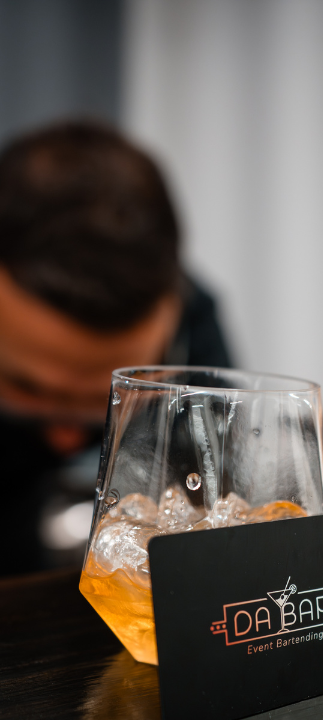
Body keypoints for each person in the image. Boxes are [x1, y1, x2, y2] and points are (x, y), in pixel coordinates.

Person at [0, 121, 232, 577]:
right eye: (25, 386)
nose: (65, 437)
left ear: (174, 304)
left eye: (107, 397)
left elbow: (214, 520)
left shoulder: (194, 328)